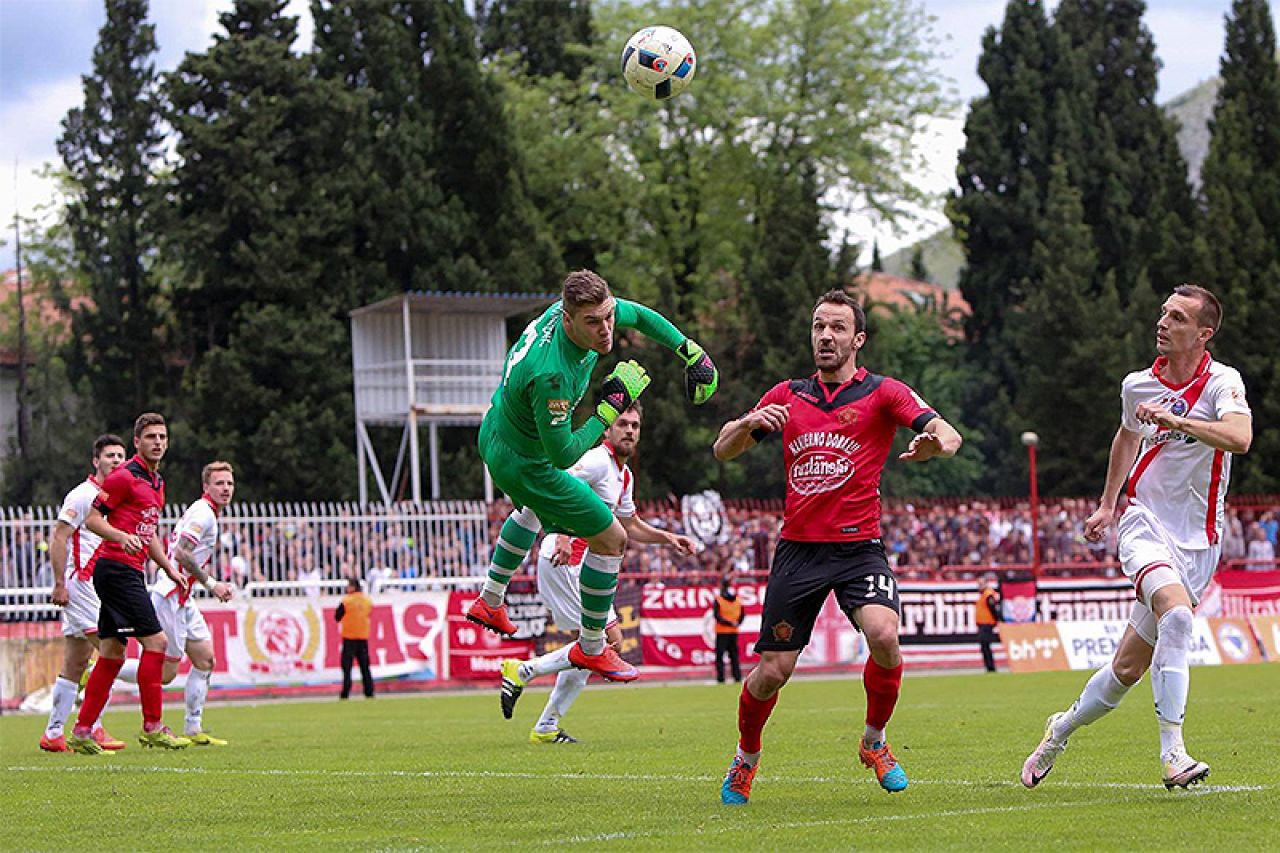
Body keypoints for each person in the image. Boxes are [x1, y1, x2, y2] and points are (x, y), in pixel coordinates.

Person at [711, 289, 962, 804]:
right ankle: (746, 759)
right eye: (818, 327)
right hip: (799, 551)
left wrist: (936, 444)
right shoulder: (786, 395)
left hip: (858, 550)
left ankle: (874, 742)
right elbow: (723, 451)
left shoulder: (883, 393)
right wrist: (748, 424)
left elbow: (948, 432)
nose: (825, 336)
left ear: (858, 339)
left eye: (837, 328)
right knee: (772, 673)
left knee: (885, 636)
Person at [1022, 284, 1252, 791]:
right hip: (1144, 524)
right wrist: (1108, 504)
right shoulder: (1137, 386)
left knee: (1126, 669)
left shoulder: (1222, 383)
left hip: (1200, 543)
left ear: (1203, 333)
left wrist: (1177, 419)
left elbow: (1239, 438)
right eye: (1163, 314)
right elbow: (1126, 436)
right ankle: (1174, 754)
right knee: (1177, 616)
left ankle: (1059, 729)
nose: (1163, 323)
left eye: (1177, 317)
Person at [466, 269, 717, 684]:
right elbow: (563, 454)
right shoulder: (554, 375)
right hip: (529, 462)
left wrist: (688, 349)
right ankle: (592, 647)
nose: (606, 331)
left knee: (530, 511)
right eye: (593, 323)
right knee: (612, 538)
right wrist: (610, 408)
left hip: (495, 434)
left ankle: (491, 598)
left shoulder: (566, 311)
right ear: (568, 320)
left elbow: (634, 313)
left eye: (607, 318)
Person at [498, 403, 697, 742]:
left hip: (579, 567)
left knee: (594, 647)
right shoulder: (595, 460)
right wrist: (561, 533)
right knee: (606, 642)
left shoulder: (625, 475)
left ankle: (545, 725)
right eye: (623, 424)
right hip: (566, 562)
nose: (630, 431)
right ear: (608, 430)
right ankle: (524, 672)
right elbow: (557, 483)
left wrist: (668, 538)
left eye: (635, 425)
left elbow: (628, 524)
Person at [66, 412, 191, 753]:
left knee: (112, 652)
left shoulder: (157, 483)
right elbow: (92, 520)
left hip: (127, 571)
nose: (158, 442)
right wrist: (120, 537)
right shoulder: (124, 477)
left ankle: (81, 731)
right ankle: (152, 726)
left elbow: (147, 534)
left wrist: (168, 568)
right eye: (151, 437)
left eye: (163, 437)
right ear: (137, 442)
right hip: (116, 570)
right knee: (157, 644)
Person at [39, 434, 131, 753]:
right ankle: (92, 726)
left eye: (121, 455)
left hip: (96, 585)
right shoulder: (83, 495)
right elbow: (59, 537)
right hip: (80, 583)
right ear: (96, 461)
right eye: (110, 456)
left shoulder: (114, 496)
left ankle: (53, 734)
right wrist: (59, 583)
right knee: (112, 651)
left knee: (76, 662)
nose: (117, 460)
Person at [143, 461, 236, 744]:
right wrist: (212, 584)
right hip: (170, 594)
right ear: (206, 486)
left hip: (183, 597)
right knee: (166, 674)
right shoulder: (203, 513)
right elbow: (183, 553)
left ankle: (193, 728)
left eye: (229, 484)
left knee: (205, 659)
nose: (226, 489)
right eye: (219, 483)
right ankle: (103, 668)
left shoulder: (208, 512)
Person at [336, 577, 375, 699]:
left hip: (349, 637)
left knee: (347, 667)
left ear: (352, 587)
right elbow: (369, 613)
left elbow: (337, 616)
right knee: (365, 667)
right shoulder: (367, 601)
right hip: (363, 637)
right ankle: (369, 691)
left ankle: (346, 691)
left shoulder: (346, 601)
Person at [712, 580, 744, 683]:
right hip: (733, 631)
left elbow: (717, 616)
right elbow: (742, 615)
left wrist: (729, 623)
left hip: (722, 631)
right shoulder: (738, 600)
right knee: (734, 655)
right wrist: (736, 623)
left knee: (720, 656)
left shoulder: (719, 600)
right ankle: (737, 676)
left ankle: (721, 677)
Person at [975, 573, 1001, 673]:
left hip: (987, 623)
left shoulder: (988, 594)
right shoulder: (985, 594)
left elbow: (993, 607)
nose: (979, 586)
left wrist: (997, 619)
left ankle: (990, 667)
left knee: (985, 645)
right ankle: (989, 666)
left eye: (981, 584)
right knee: (984, 646)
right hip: (983, 623)